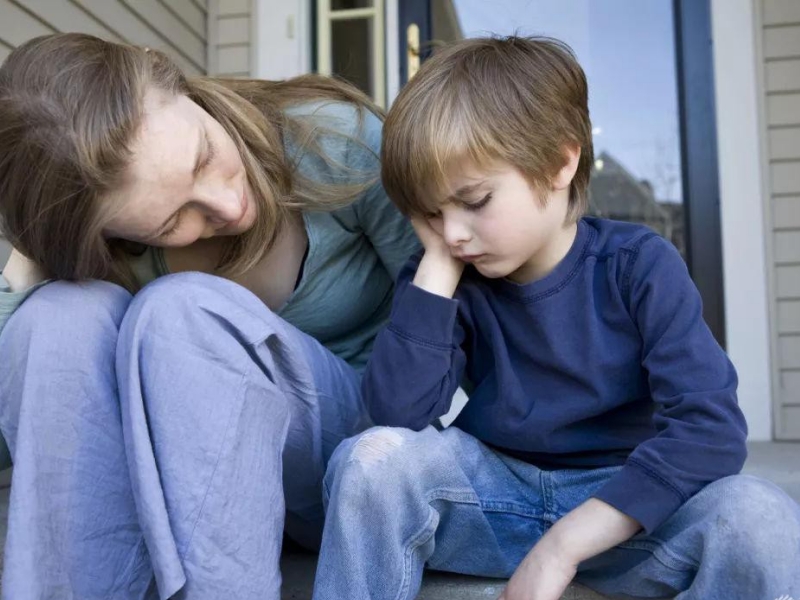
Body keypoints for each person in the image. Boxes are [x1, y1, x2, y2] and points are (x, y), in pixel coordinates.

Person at [314, 36, 800, 600]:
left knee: (760, 519)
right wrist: (439, 270)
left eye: (473, 201)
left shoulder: (638, 266)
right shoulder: (447, 275)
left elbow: (710, 431)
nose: (452, 233)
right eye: (430, 214)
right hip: (494, 500)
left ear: (558, 163)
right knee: (368, 461)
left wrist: (565, 544)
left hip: (626, 513)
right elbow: (395, 415)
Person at [0, 32, 418, 599]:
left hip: (350, 463)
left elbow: (466, 320)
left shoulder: (333, 141)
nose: (227, 207)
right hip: (178, 494)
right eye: (171, 223)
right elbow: (24, 447)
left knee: (182, 310)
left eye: (203, 157)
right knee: (57, 317)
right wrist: (28, 270)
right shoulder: (108, 255)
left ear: (166, 72)